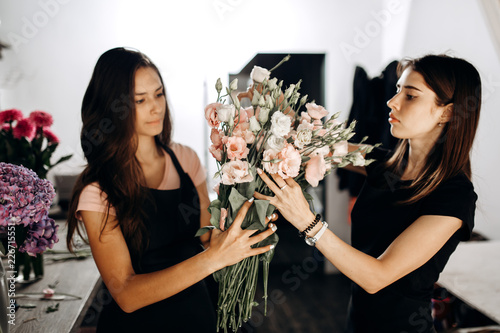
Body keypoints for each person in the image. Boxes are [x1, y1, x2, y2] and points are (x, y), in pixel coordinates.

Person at [254, 54, 480, 332]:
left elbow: (377, 276)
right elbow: (324, 147)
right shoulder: (384, 164)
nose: (391, 101)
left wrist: (307, 221)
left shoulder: (454, 195)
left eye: (410, 96)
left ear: (446, 112)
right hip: (357, 322)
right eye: (398, 90)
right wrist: (273, 121)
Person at [66, 47, 277, 332]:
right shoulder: (98, 192)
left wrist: (248, 217)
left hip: (200, 312)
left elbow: (207, 239)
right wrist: (212, 260)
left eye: (159, 93)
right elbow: (126, 294)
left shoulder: (185, 160)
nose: (156, 107)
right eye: (140, 100)